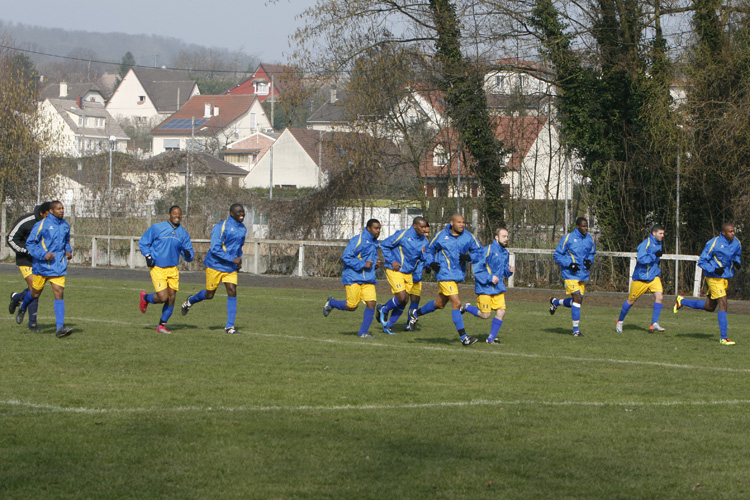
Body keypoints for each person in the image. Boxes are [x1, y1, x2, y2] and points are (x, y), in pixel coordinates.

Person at [406, 213, 484, 346]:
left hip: (456, 276)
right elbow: (429, 251)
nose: (462, 225)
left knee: (439, 304)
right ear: (452, 223)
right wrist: (431, 263)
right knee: (457, 303)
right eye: (459, 222)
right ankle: (464, 338)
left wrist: (469, 257)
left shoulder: (468, 237)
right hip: (444, 274)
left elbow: (480, 252)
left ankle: (415, 313)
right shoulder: (441, 235)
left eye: (463, 222)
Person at [181, 204, 246, 334]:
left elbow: (239, 247)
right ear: (231, 213)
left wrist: (238, 259)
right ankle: (190, 301)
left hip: (230, 267)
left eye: (243, 212)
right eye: (239, 212)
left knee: (232, 290)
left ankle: (229, 327)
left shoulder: (243, 228)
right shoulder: (220, 227)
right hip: (215, 265)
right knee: (209, 294)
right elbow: (215, 249)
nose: (242, 214)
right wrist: (232, 259)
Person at [674, 223, 742, 345]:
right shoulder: (713, 243)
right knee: (723, 302)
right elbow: (702, 261)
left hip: (725, 277)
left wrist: (737, 262)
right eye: (730, 231)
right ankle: (724, 338)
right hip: (714, 277)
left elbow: (737, 255)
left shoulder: (736, 242)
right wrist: (714, 269)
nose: (733, 233)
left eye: (733, 231)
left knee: (709, 307)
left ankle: (681, 301)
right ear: (723, 233)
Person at [16, 200, 74, 338]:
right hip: (42, 266)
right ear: (51, 211)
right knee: (35, 293)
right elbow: (30, 244)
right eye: (58, 208)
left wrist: (68, 251)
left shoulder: (65, 225)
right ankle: (23, 307)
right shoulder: (41, 225)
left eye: (63, 208)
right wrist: (43, 254)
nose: (62, 210)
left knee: (59, 293)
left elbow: (66, 241)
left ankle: (60, 329)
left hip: (58, 266)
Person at [138, 205, 194, 334]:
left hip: (172, 269)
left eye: (179, 214)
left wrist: (187, 253)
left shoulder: (183, 234)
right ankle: (145, 298)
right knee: (163, 297)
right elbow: (143, 242)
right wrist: (148, 255)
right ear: (169, 215)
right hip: (158, 267)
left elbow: (190, 255)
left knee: (171, 298)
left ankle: (161, 326)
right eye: (174, 214)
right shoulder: (157, 228)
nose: (177, 216)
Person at [323, 219, 382, 339]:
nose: (378, 231)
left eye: (379, 228)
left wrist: (375, 264)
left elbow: (368, 260)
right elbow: (346, 257)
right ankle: (332, 302)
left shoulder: (374, 243)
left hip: (368, 279)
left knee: (371, 303)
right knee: (352, 306)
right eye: (376, 228)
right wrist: (363, 264)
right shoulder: (357, 240)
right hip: (353, 277)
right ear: (368, 228)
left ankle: (363, 332)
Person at [461, 227, 514, 344]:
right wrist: (490, 278)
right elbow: (477, 269)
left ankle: (490, 338)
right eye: (504, 236)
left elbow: (503, 272)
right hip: (485, 288)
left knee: (501, 311)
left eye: (507, 237)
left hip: (498, 288)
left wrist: (509, 271)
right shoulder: (488, 250)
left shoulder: (505, 252)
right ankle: (467, 307)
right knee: (485, 315)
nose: (506, 239)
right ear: (496, 237)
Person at [376, 217, 429, 334]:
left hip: (409, 273)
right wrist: (393, 261)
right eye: (422, 226)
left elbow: (422, 258)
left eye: (425, 226)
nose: (424, 229)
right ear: (414, 226)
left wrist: (427, 258)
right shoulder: (403, 234)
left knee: (404, 301)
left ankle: (388, 326)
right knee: (401, 297)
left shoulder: (424, 241)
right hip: (395, 270)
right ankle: (383, 308)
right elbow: (384, 244)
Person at [7, 202, 51, 332]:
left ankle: (17, 298)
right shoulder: (27, 221)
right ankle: (33, 324)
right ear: (42, 213)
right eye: (48, 214)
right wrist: (26, 250)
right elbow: (11, 238)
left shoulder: (52, 224)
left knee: (36, 290)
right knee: (34, 288)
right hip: (25, 260)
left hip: (41, 261)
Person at [549, 217, 596, 337]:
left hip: (582, 275)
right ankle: (576, 330)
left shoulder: (589, 239)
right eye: (584, 226)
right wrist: (569, 264)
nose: (586, 228)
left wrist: (590, 261)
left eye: (587, 226)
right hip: (570, 274)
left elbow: (591, 253)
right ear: (577, 226)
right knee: (577, 299)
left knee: (578, 302)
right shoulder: (568, 238)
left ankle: (555, 302)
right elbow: (557, 255)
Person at [616, 224, 666, 333]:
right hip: (640, 278)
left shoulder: (659, 243)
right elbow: (642, 260)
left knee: (660, 297)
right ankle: (619, 321)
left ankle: (654, 323)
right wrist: (654, 255)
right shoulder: (645, 244)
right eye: (660, 233)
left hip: (653, 277)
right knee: (631, 301)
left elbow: (655, 261)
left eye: (663, 233)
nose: (663, 235)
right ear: (654, 233)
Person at [404, 221, 431, 332]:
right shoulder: (410, 239)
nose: (426, 233)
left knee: (415, 299)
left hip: (417, 275)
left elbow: (425, 257)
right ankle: (388, 317)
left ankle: (410, 323)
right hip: (408, 274)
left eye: (428, 231)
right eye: (424, 230)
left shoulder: (426, 242)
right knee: (403, 299)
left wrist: (428, 266)